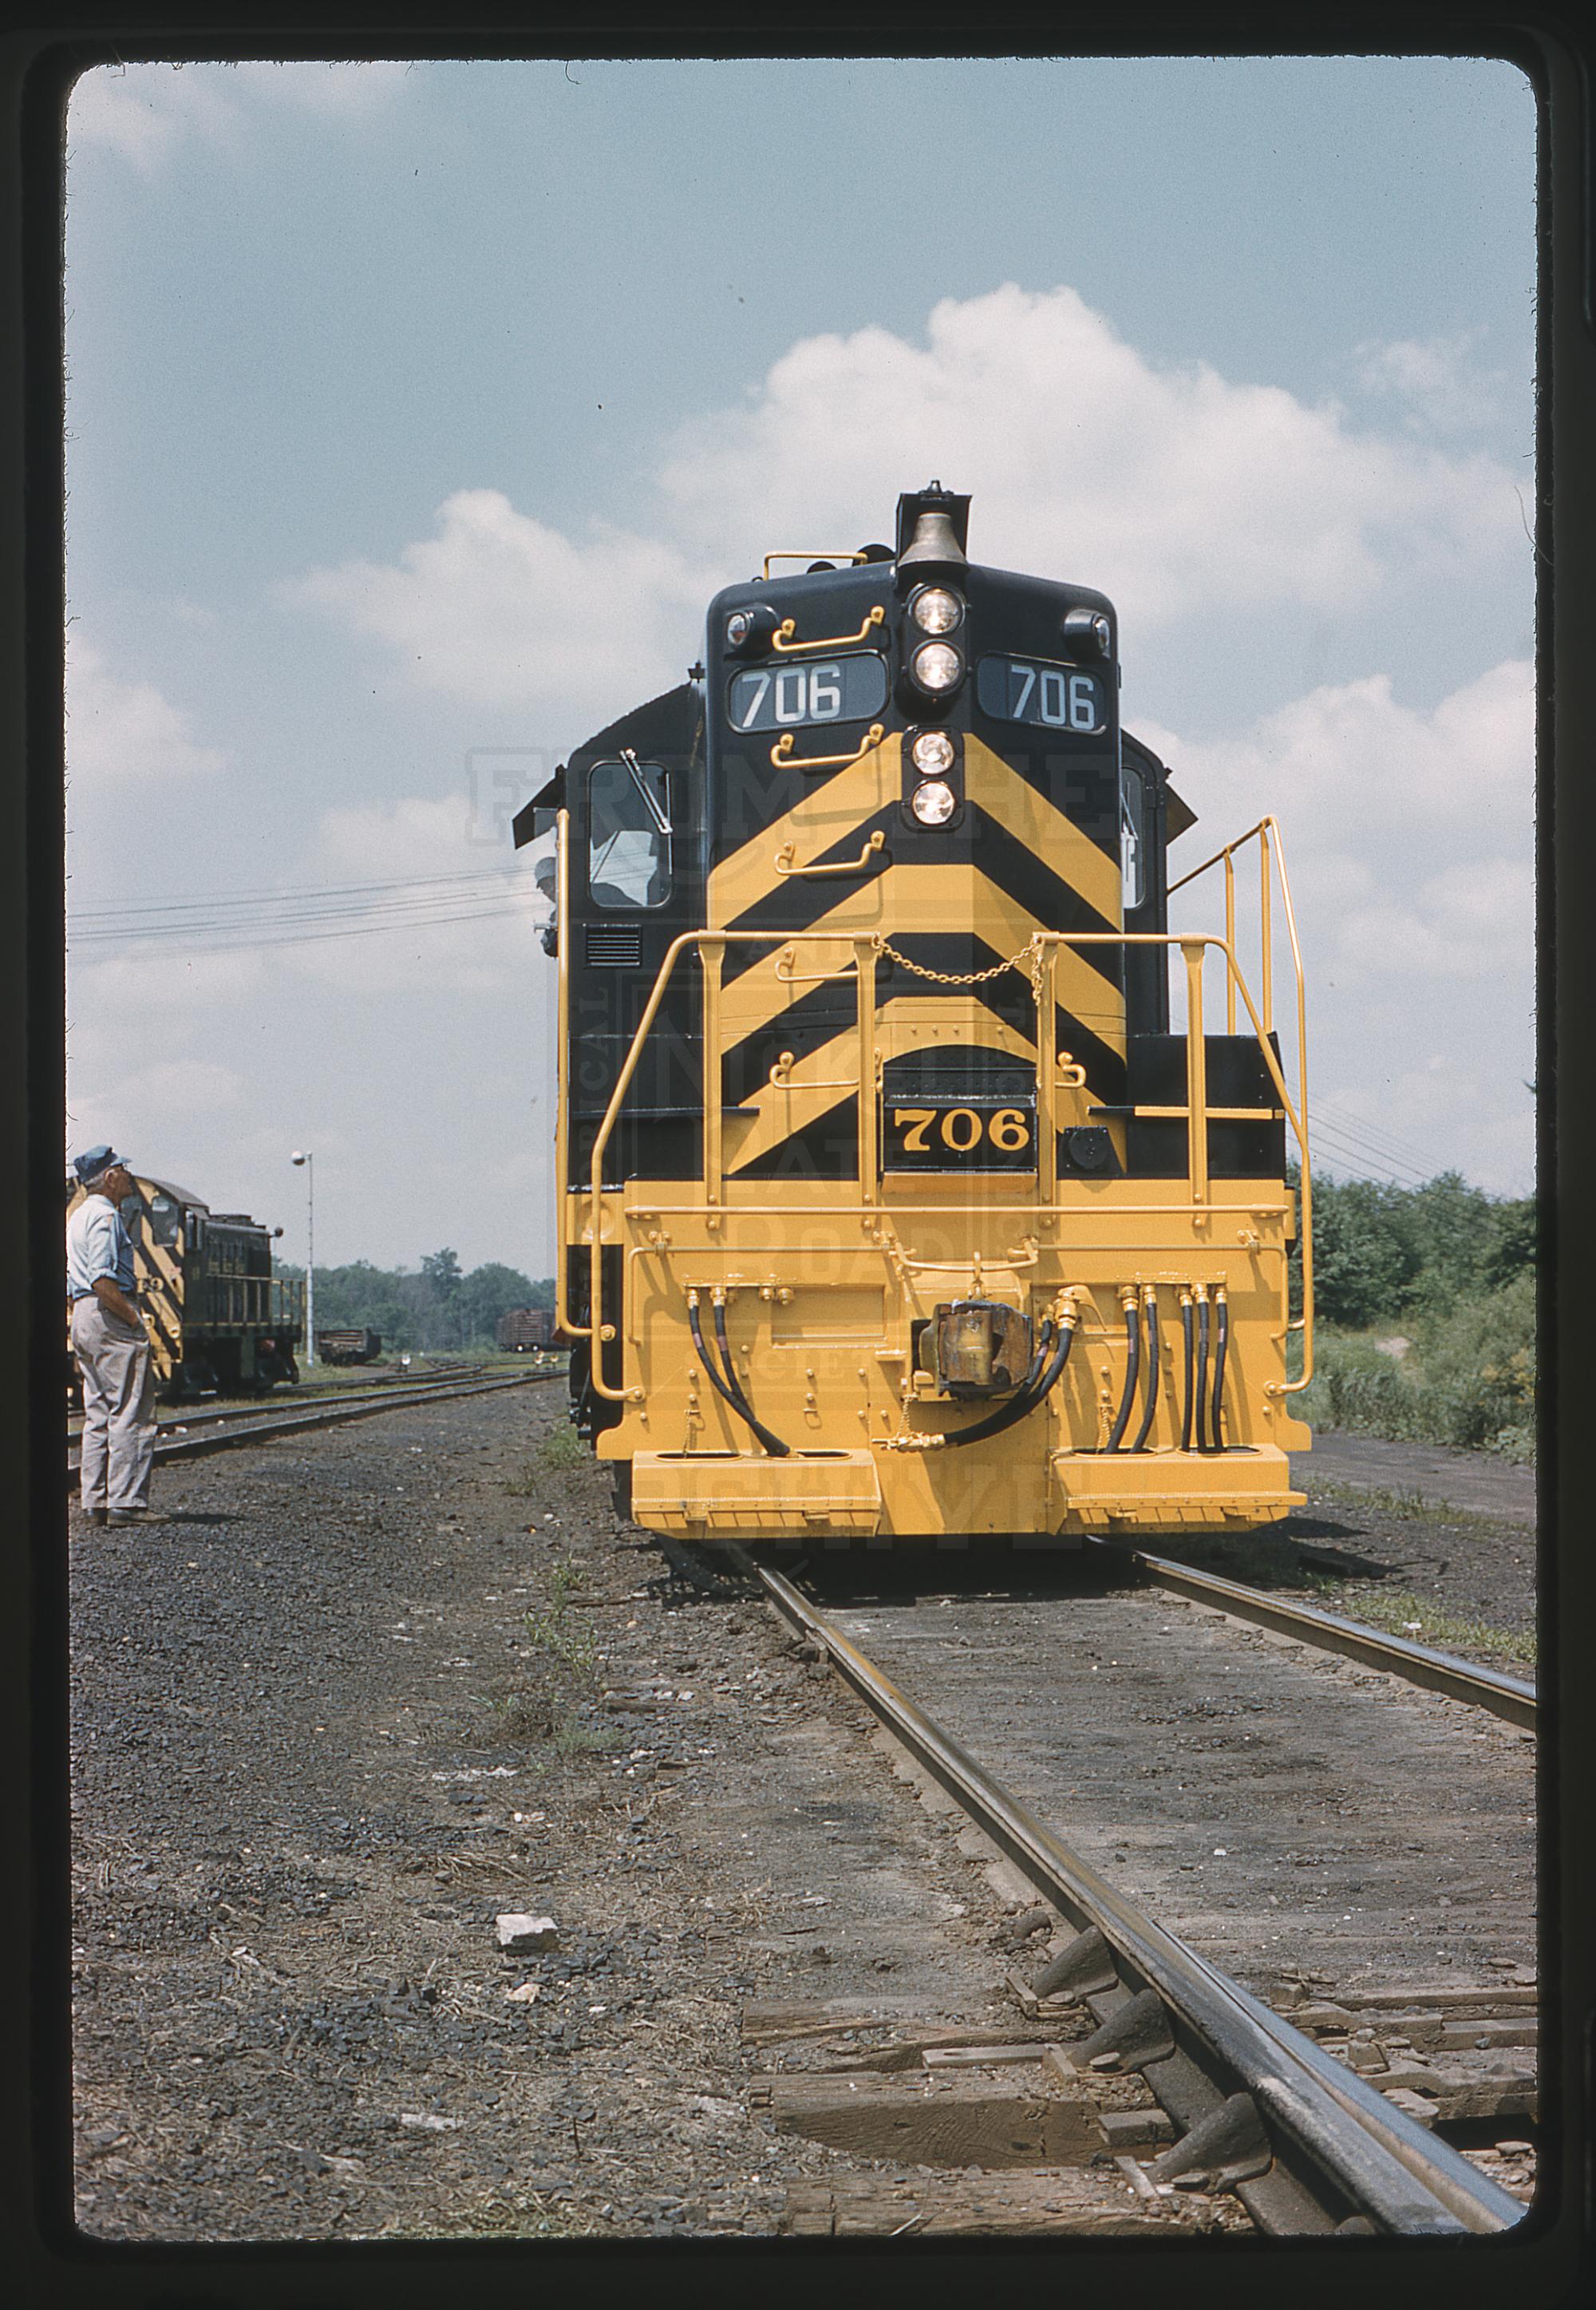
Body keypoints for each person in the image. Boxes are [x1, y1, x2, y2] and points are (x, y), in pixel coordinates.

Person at [67, 1145, 159, 1527]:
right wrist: (134, 1321)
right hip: (109, 1313)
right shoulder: (106, 1218)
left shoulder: (77, 1218)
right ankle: (127, 1503)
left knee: (98, 1411)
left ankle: (95, 1501)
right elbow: (103, 1279)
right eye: (122, 1169)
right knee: (131, 1409)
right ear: (109, 1177)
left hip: (83, 1316)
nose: (127, 1176)